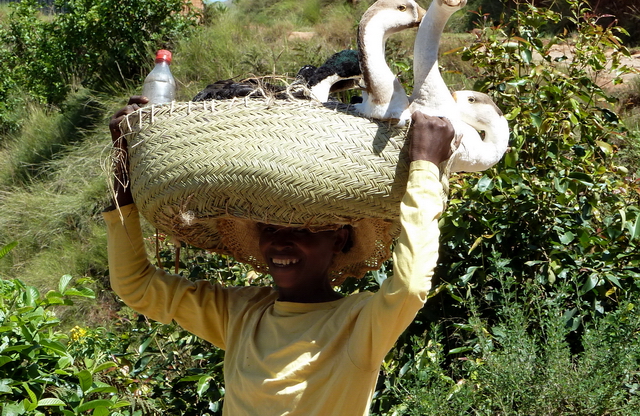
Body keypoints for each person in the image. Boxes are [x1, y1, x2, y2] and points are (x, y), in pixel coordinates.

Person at [104, 95, 455, 416]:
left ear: (339, 239)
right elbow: (136, 286)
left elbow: (409, 286)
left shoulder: (356, 325)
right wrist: (125, 168)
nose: (281, 243)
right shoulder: (241, 315)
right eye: (269, 229)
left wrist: (425, 168)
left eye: (302, 230)